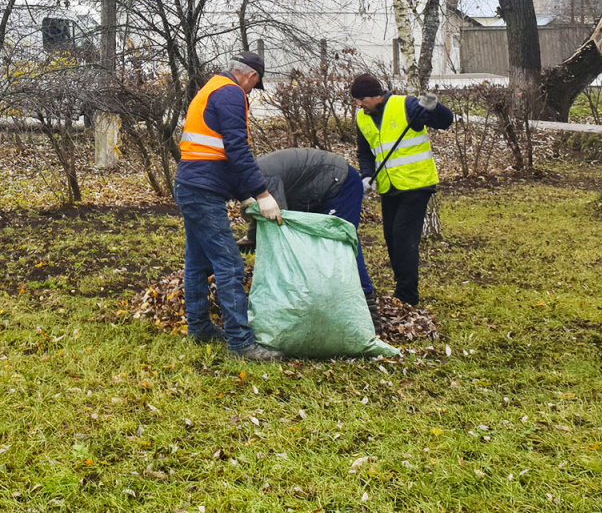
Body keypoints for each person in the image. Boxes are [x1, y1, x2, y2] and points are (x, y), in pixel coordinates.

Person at [174, 51, 283, 362]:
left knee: (197, 263)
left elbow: (217, 151)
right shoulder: (232, 93)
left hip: (192, 186)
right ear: (249, 76)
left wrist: (242, 193)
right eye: (255, 84)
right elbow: (237, 148)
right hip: (203, 191)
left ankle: (199, 327)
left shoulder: (211, 88)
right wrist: (261, 193)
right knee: (230, 265)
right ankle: (240, 342)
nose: (252, 90)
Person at [350, 72, 453, 307]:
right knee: (391, 238)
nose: (358, 104)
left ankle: (407, 295)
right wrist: (366, 176)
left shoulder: (405, 105)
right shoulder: (363, 118)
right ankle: (402, 288)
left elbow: (445, 121)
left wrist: (435, 106)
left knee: (404, 238)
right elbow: (365, 151)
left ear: (376, 96)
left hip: (416, 184)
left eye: (361, 99)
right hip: (389, 186)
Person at [250, 147, 379, 327]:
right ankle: (323, 300)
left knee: (341, 242)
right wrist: (251, 236)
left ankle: (368, 305)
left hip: (341, 184)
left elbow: (280, 220)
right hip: (317, 190)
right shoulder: (253, 176)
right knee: (321, 245)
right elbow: (262, 209)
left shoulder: (263, 177)